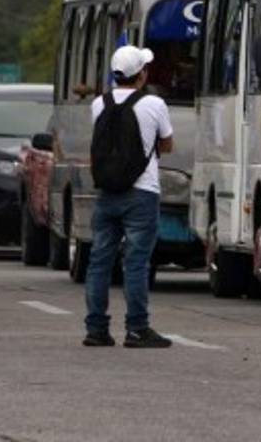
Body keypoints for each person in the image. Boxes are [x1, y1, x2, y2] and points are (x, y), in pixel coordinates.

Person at [83, 45, 174, 349]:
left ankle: (96, 330)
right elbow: (167, 144)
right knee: (135, 263)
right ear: (142, 74)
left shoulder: (99, 104)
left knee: (99, 262)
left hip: (107, 192)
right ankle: (137, 329)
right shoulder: (154, 104)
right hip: (142, 192)